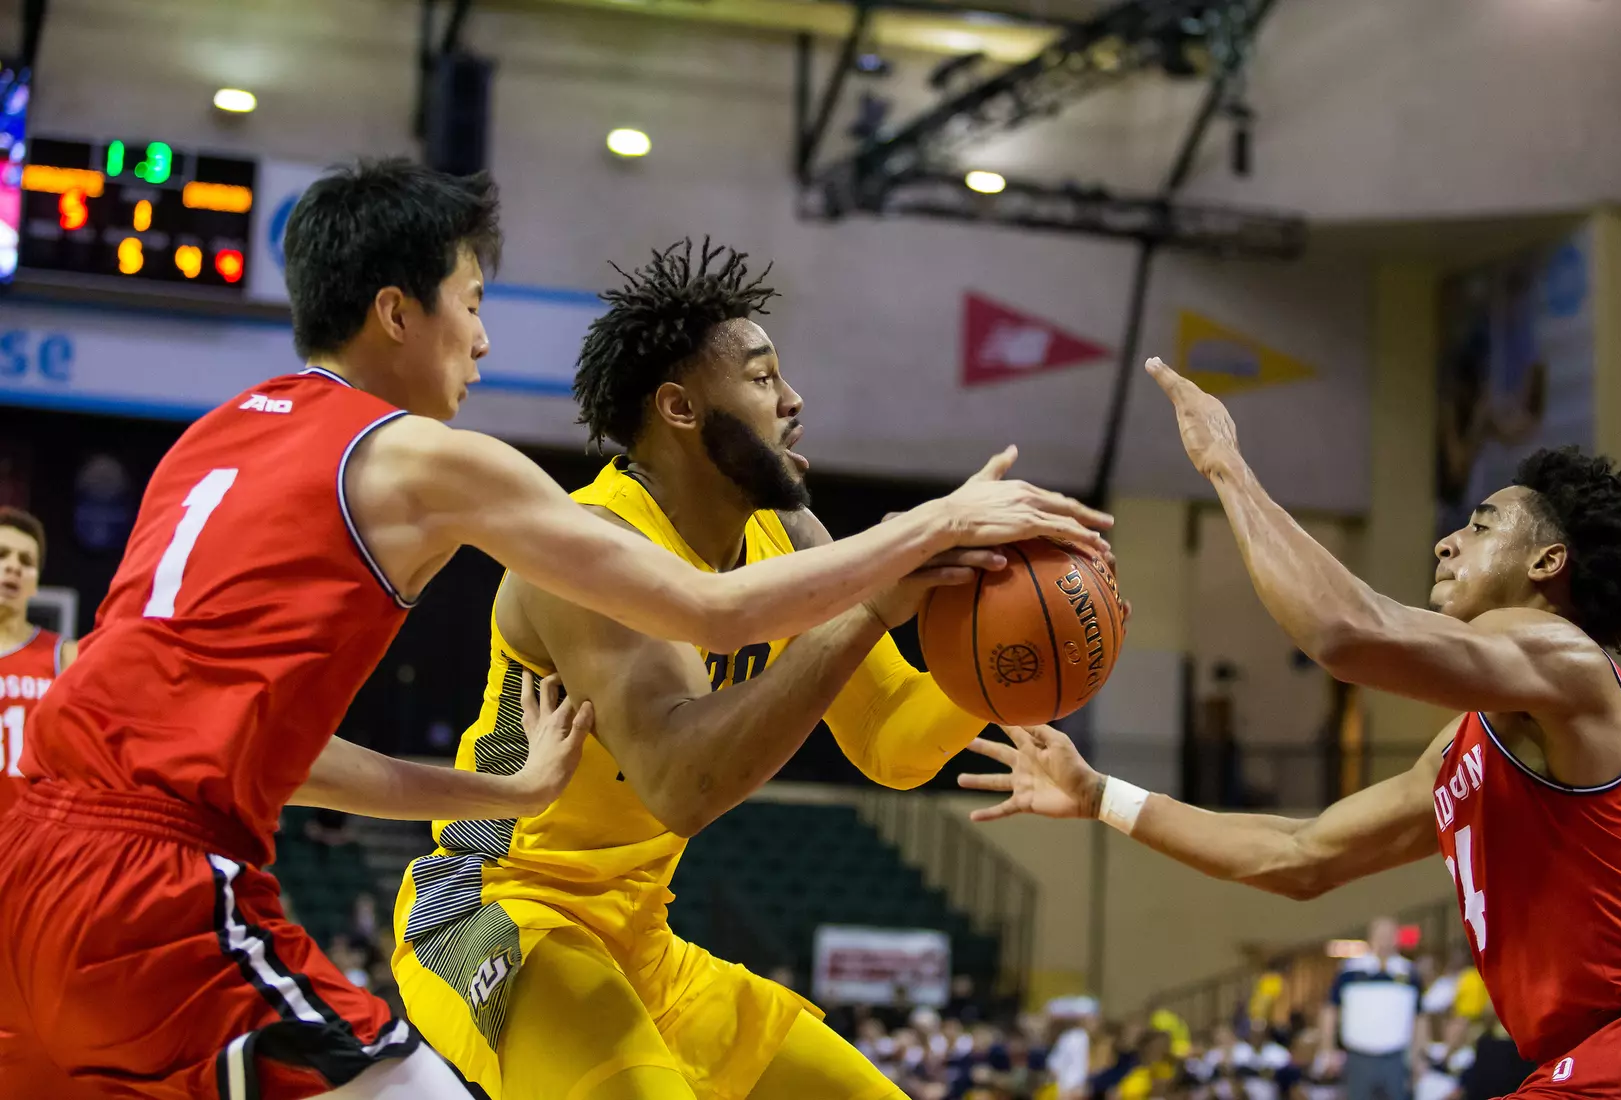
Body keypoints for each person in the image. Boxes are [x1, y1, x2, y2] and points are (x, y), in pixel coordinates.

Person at [0, 162, 1109, 1100]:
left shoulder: (209, 440)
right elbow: (702, 655)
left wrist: (1010, 661)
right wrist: (926, 531)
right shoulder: (444, 467)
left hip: (37, 851)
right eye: (472, 301)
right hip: (472, 912)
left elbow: (268, 749)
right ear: (397, 312)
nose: (484, 339)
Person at [391, 239, 1112, 1099]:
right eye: (764, 377)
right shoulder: (591, 550)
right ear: (680, 408)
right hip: (495, 910)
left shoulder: (788, 536)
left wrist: (1013, 663)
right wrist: (871, 607)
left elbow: (890, 742)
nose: (794, 400)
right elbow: (682, 783)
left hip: (641, 939)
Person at [959, 356, 1621, 1100]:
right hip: (1587, 1061)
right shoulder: (1468, 746)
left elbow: (1344, 631)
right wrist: (1101, 796)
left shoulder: (1567, 660)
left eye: (1481, 527)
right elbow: (1300, 857)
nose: (1448, 541)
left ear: (1548, 562)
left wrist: (1226, 465)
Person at [0, 507, 75, 816]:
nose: (13, 567)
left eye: (26, 562)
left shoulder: (65, 657)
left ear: (35, 583)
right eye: (2, 555)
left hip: (34, 837)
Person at [1318, 918, 1421, 1100]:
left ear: (1396, 939)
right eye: (1380, 935)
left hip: (1396, 1057)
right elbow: (1330, 1010)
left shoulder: (1409, 972)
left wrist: (1418, 1055)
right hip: (1359, 1056)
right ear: (1371, 937)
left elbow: (1419, 1017)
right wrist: (1327, 1048)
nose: (1385, 941)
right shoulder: (1350, 971)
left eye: (1389, 935)